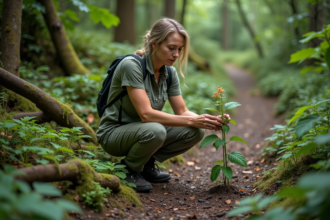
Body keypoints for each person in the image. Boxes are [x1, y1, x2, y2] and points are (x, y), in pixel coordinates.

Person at [96, 18, 229, 192]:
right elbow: (146, 115)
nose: (176, 54)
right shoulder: (131, 66)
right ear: (155, 44)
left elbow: (182, 111)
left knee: (196, 131)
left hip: (144, 131)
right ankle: (128, 169)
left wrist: (207, 120)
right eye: (171, 48)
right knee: (156, 130)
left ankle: (145, 164)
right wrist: (192, 121)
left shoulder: (170, 73)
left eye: (180, 49)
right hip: (114, 134)